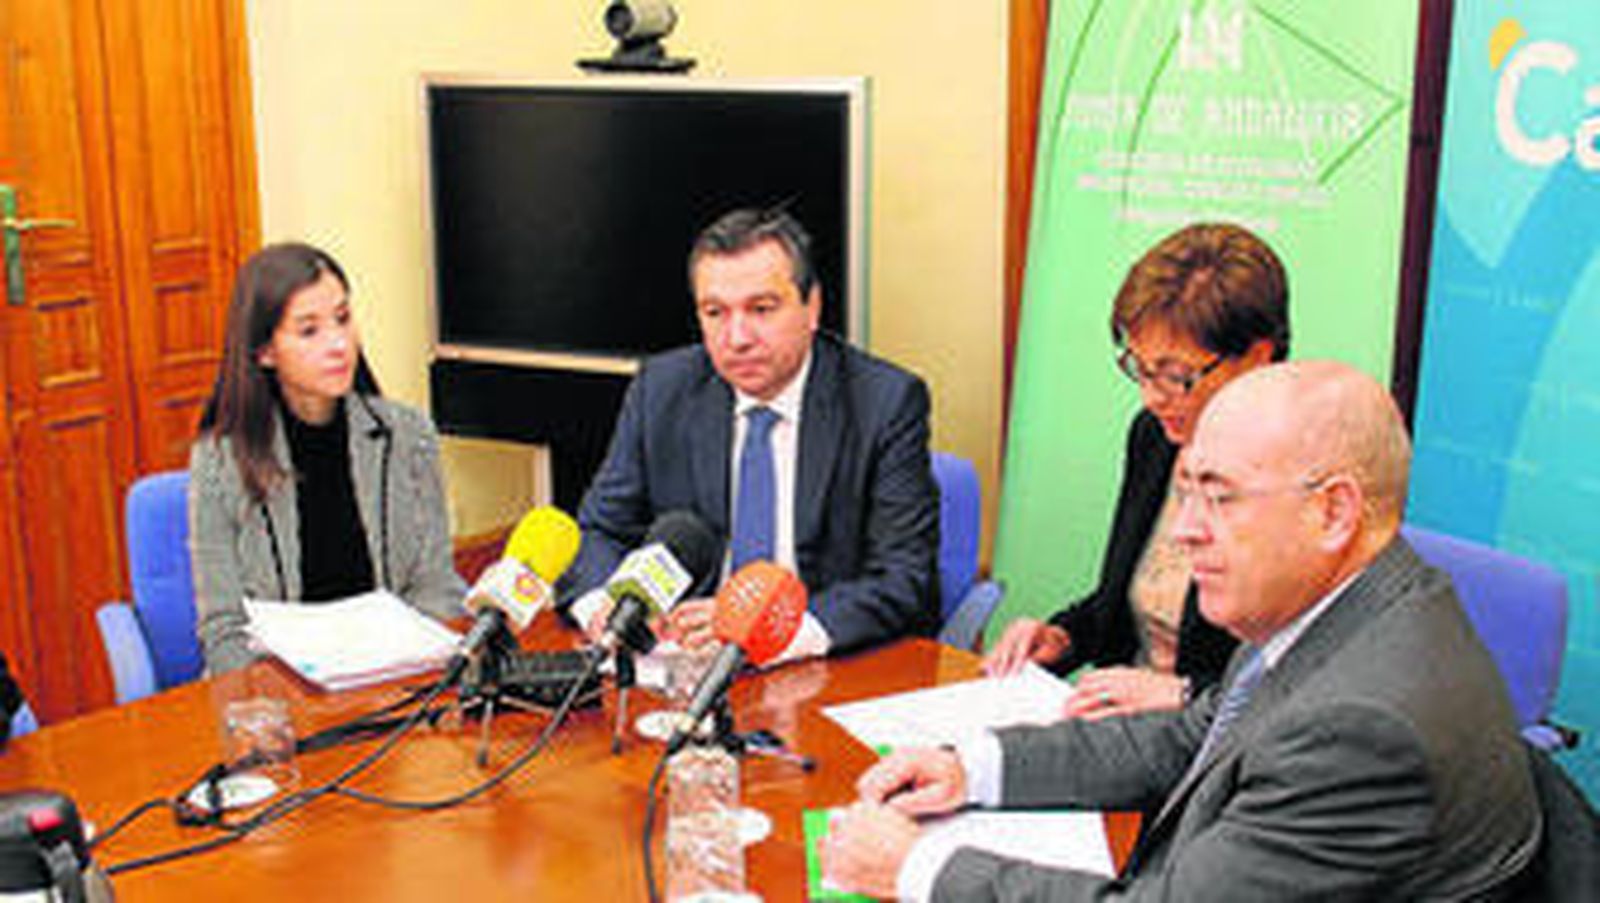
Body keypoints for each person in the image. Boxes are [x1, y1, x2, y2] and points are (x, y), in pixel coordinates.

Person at [824, 360, 1541, 901]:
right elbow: (1192, 733)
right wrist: (973, 767)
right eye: (1188, 490)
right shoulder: (1342, 607)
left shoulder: (1360, 729)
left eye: (1220, 497)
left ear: (1335, 512)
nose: (1187, 531)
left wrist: (917, 866)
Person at [558, 207, 940, 657]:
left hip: (819, 666)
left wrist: (775, 633)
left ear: (811, 307)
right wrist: (605, 607)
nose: (736, 337)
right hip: (681, 660)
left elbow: (903, 577)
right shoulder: (662, 389)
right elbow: (599, 531)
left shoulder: (884, 402)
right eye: (715, 312)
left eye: (761, 309)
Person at [985, 223, 1288, 719]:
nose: (1152, 397)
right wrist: (1062, 638)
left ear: (1256, 357)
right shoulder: (1156, 437)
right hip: (1120, 727)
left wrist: (1185, 694)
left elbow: (1304, 682)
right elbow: (1132, 597)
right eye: (1141, 369)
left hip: (1213, 752)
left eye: (1175, 375)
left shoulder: (1295, 478)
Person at [189, 242, 465, 673]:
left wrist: (403, 677)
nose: (339, 344)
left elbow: (435, 587)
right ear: (264, 351)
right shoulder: (220, 460)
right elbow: (223, 630)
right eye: (309, 330)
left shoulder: (409, 437)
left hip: (394, 681)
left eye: (343, 318)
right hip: (280, 694)